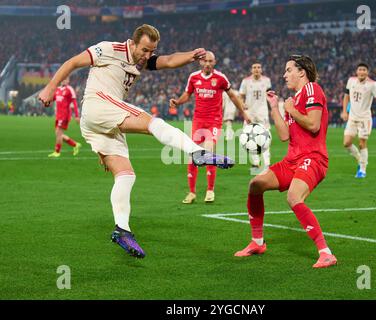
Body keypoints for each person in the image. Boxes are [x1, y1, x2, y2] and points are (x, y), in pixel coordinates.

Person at [38, 24, 234, 259]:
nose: (147, 56)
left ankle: (122, 230)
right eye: (144, 50)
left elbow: (170, 60)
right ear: (132, 43)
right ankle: (197, 152)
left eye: (151, 51)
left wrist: (191, 55)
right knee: (154, 123)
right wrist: (50, 87)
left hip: (99, 123)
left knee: (126, 174)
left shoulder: (143, 59)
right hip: (98, 105)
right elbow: (72, 63)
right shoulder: (108, 49)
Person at [235, 55, 337, 269]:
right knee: (255, 184)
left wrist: (290, 110)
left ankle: (325, 252)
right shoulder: (293, 99)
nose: (284, 75)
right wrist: (275, 107)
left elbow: (314, 125)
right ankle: (257, 242)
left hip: (313, 158)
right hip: (292, 160)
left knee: (293, 196)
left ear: (302, 72)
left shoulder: (312, 90)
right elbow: (283, 136)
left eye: (288, 70)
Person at [170, 51, 249, 204]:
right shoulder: (194, 77)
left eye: (210, 61)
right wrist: (178, 102)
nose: (207, 64)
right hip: (198, 121)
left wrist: (244, 113)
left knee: (208, 153)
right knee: (193, 154)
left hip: (214, 121)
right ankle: (192, 192)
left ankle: (210, 190)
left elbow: (232, 95)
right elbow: (187, 94)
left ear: (215, 62)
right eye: (205, 61)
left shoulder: (220, 78)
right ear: (200, 62)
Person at [341, 63, 376, 178]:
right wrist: (345, 111)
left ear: (367, 72)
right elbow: (346, 97)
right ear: (357, 71)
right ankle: (360, 159)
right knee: (346, 143)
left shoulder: (372, 84)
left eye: (364, 70)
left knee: (362, 143)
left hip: (364, 118)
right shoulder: (351, 81)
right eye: (360, 69)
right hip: (352, 117)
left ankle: (362, 169)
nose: (362, 72)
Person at [239, 63, 272, 174]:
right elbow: (241, 96)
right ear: (251, 70)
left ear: (261, 69)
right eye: (254, 67)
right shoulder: (246, 81)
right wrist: (242, 105)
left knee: (266, 138)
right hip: (250, 113)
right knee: (248, 138)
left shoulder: (266, 80)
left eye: (258, 67)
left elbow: (269, 94)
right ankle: (255, 162)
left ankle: (266, 163)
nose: (256, 69)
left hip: (262, 113)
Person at [47, 77, 81, 158]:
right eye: (62, 79)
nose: (63, 80)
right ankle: (75, 144)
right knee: (59, 134)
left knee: (58, 133)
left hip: (65, 115)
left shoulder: (69, 89)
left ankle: (57, 152)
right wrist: (48, 101)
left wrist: (77, 116)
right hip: (58, 115)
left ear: (68, 80)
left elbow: (74, 103)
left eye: (65, 79)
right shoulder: (58, 89)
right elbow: (52, 99)